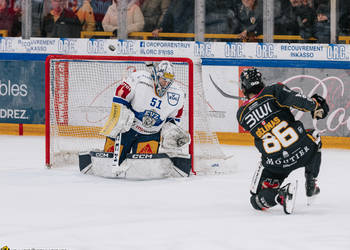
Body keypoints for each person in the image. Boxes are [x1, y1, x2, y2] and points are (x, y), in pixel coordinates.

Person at [236, 68, 329, 213]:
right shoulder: (274, 91)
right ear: (261, 82)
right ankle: (311, 182)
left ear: (243, 88)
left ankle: (280, 196)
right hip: (301, 151)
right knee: (314, 136)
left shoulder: (241, 114)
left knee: (255, 200)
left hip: (276, 165)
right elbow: (300, 101)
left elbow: (260, 119)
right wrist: (316, 105)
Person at [100, 61, 190, 166]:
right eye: (163, 80)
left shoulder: (177, 94)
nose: (166, 84)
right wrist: (121, 114)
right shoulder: (139, 79)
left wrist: (172, 133)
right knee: (107, 162)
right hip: (126, 130)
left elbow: (174, 120)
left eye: (169, 81)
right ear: (156, 75)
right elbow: (120, 95)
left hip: (150, 135)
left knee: (144, 167)